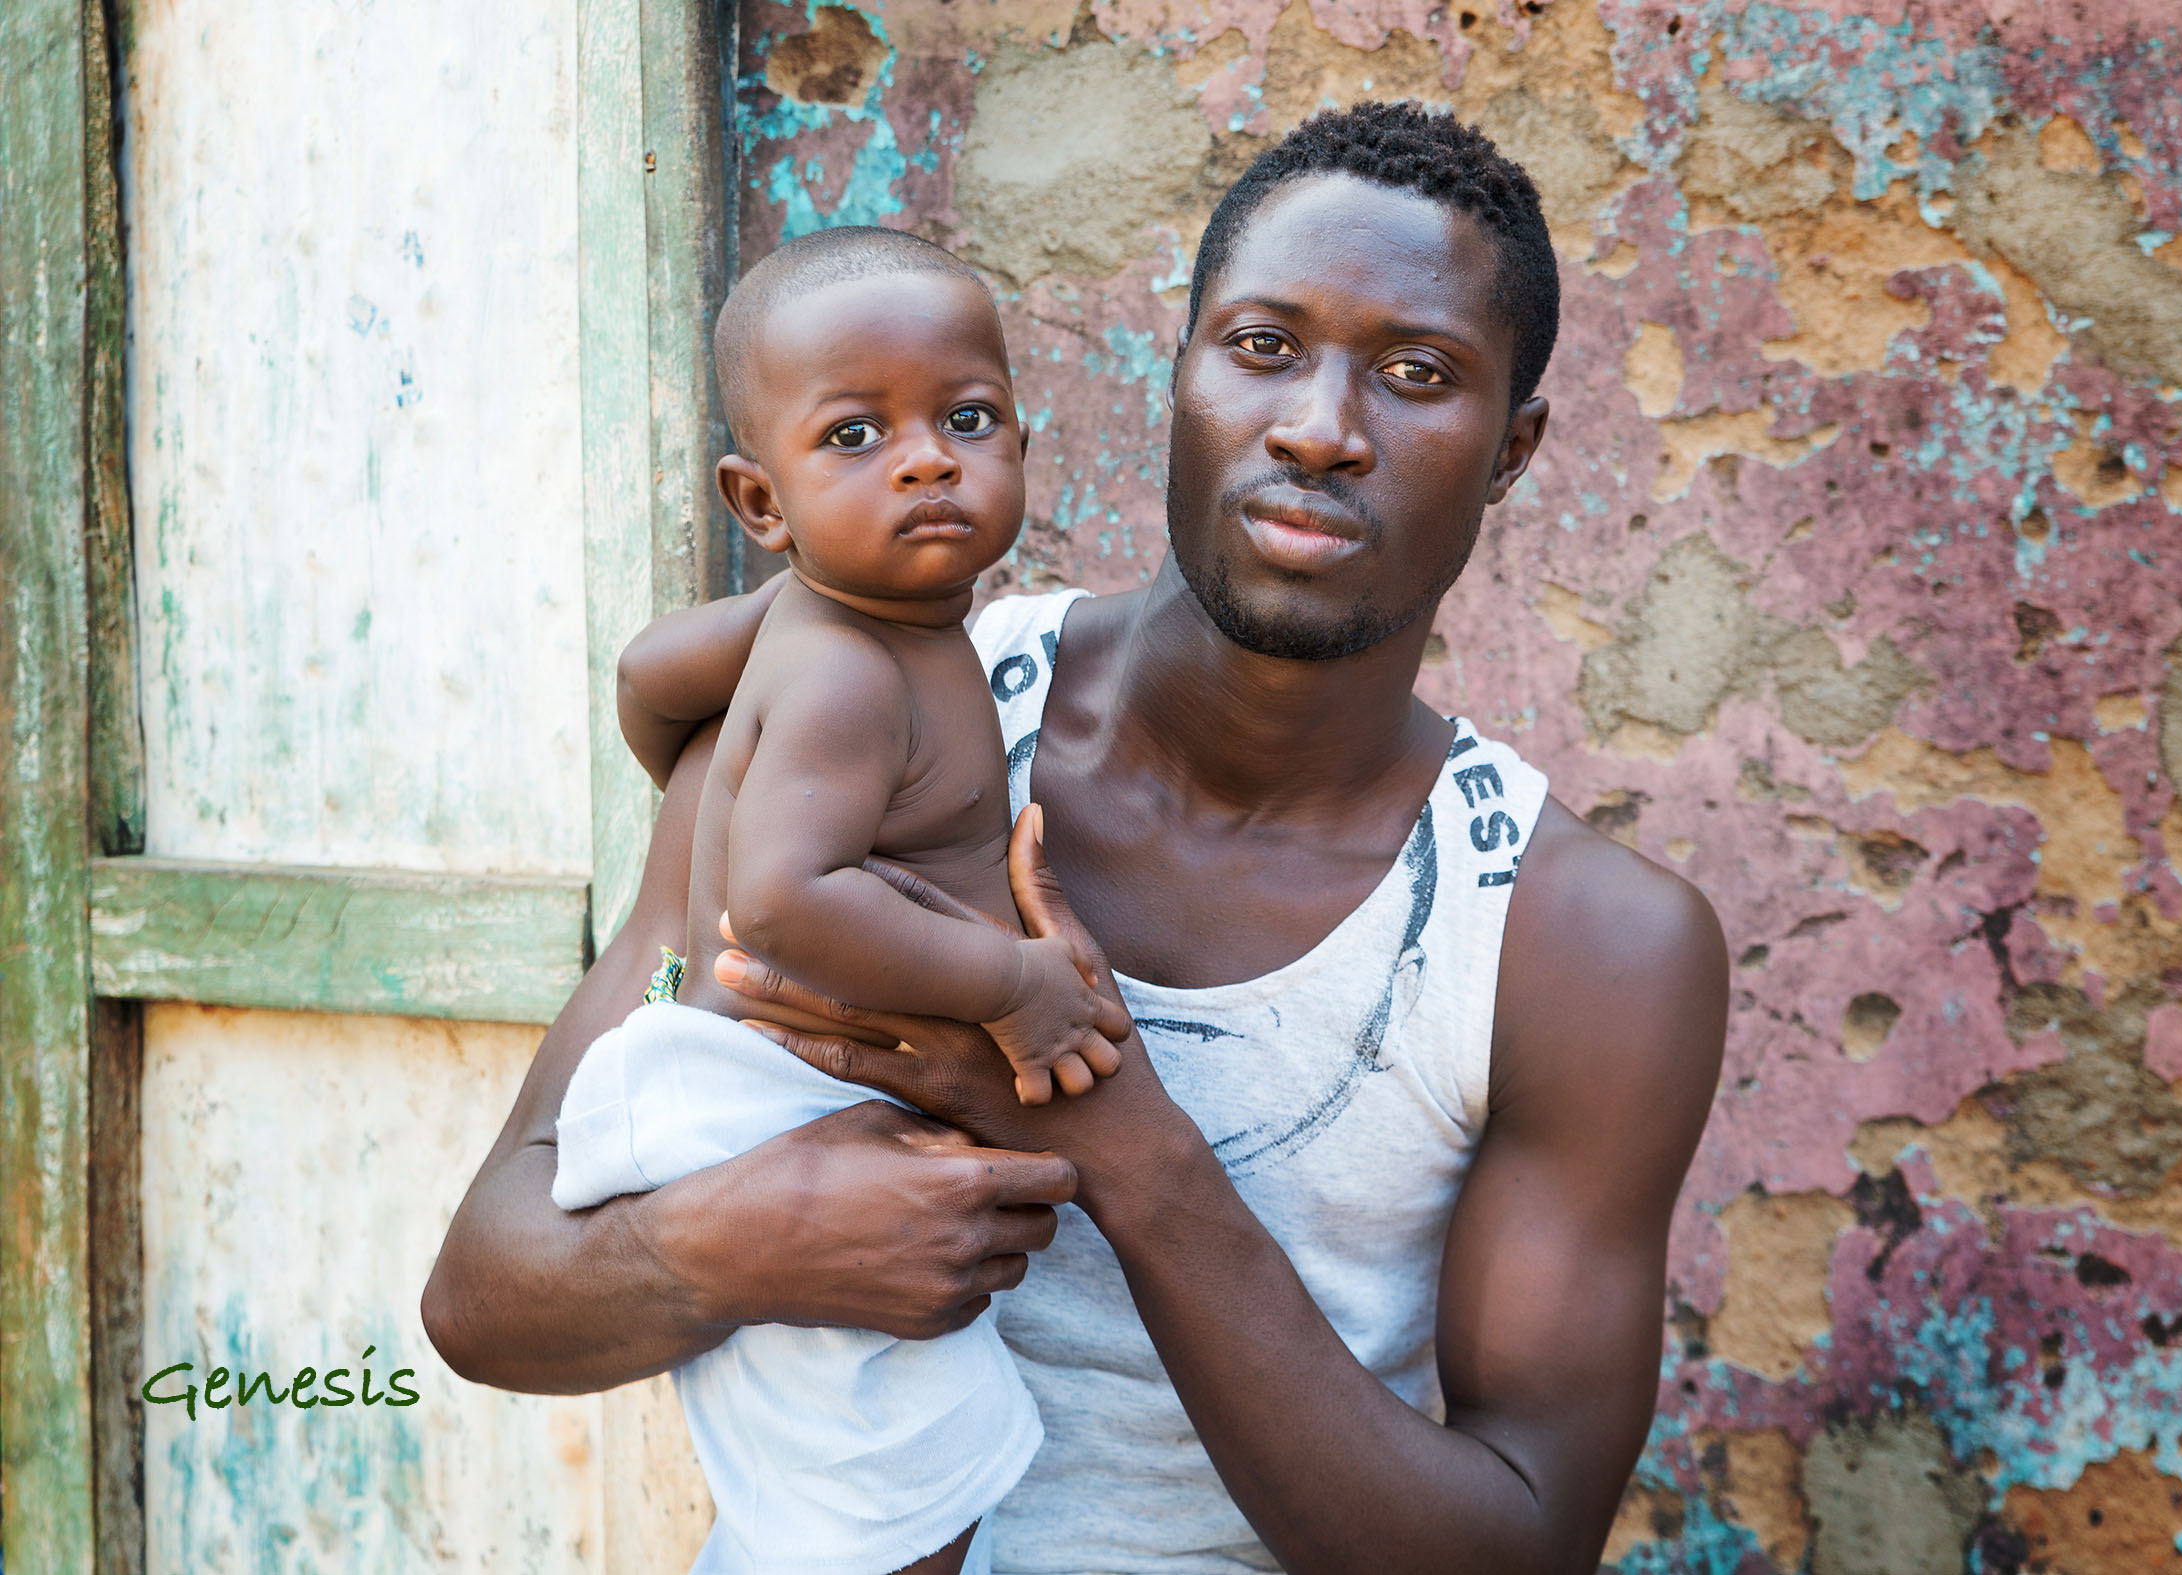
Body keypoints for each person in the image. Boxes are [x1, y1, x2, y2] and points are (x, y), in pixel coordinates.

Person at [425, 102, 1728, 1573]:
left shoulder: (1578, 945)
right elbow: (486, 1297)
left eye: (1418, 375)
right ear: (1172, 378)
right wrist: (738, 1238)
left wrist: (1118, 1139)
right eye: (1259, 347)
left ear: (1512, 449)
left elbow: (1510, 1553)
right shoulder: (847, 736)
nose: (1318, 428)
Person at [547, 225, 1136, 1574]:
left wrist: (704, 770)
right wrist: (1017, 986)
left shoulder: (807, 624)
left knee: (856, 1478)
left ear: (1023, 448)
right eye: (855, 437)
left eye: (967, 419)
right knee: (897, 1490)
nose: (926, 458)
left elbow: (644, 673)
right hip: (764, 1110)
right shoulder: (849, 674)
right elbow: (794, 901)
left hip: (730, 1096)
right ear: (761, 504)